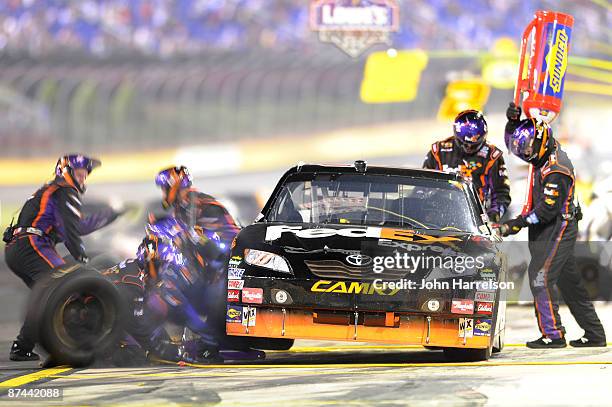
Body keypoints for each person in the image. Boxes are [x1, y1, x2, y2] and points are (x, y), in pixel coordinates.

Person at [497, 103, 607, 348]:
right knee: (570, 284)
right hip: (550, 226)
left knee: (539, 278)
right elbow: (515, 143)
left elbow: (547, 211)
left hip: (559, 226)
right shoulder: (541, 148)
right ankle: (595, 334)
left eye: (528, 149)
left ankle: (553, 335)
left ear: (541, 143)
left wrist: (515, 224)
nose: (524, 154)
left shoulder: (557, 168)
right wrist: (513, 124)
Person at [3, 154, 120, 361]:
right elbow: (70, 231)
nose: (83, 178)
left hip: (18, 247)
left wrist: (110, 215)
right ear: (65, 172)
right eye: (79, 173)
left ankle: (22, 347)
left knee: (47, 297)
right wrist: (80, 256)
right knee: (66, 285)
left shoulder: (53, 191)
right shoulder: (65, 191)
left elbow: (79, 226)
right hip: (33, 244)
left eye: (85, 175)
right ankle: (64, 347)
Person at [423, 109, 511, 222]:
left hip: (474, 221)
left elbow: (501, 193)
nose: (468, 148)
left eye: (473, 145)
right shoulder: (439, 152)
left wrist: (493, 218)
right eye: (464, 144)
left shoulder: (492, 156)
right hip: (437, 217)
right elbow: (423, 187)